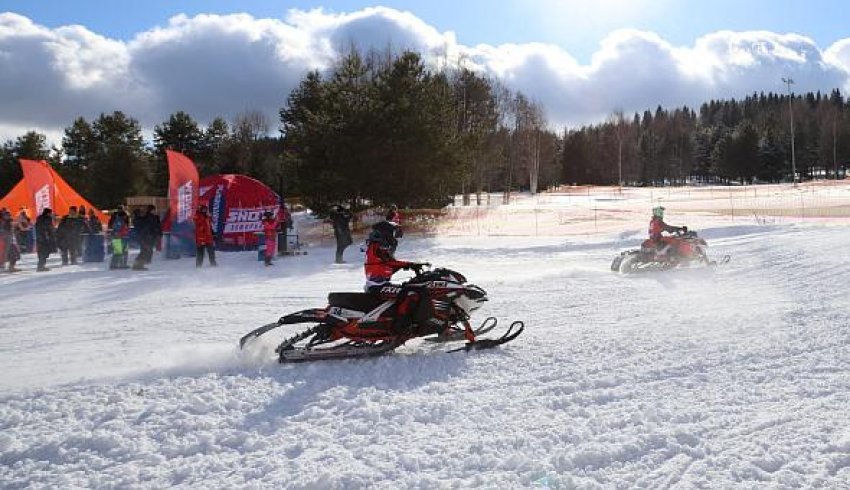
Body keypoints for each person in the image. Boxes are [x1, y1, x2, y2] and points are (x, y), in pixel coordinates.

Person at [363, 220, 426, 334]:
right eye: (392, 233)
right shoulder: (377, 247)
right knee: (411, 295)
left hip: (380, 285)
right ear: (385, 233)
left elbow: (389, 265)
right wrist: (409, 264)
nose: (394, 237)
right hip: (378, 287)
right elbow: (390, 262)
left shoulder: (376, 247)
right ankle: (399, 327)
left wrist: (408, 265)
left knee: (410, 288)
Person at [132, 205, 162, 270]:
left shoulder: (152, 217)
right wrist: (151, 234)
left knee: (146, 250)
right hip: (145, 237)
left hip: (148, 236)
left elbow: (155, 227)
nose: (155, 211)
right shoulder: (148, 217)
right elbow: (149, 227)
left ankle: (140, 264)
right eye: (154, 210)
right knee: (145, 251)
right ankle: (137, 264)